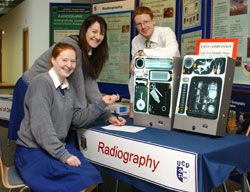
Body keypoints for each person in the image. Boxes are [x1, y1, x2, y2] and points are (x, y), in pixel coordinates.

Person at [15, 42, 119, 192]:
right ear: (53, 60)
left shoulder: (68, 86)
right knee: (80, 181)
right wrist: (63, 155)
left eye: (73, 61)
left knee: (92, 178)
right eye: (64, 60)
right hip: (32, 152)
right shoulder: (41, 83)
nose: (69, 65)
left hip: (55, 148)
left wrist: (101, 103)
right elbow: (41, 128)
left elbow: (77, 118)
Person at [8, 15, 126, 141]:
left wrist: (106, 115)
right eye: (94, 31)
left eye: (101, 33)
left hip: (49, 90)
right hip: (28, 86)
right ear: (85, 30)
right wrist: (79, 118)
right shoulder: (74, 48)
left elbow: (89, 83)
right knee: (28, 137)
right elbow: (78, 86)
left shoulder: (88, 51)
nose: (97, 37)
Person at [128, 6, 180, 119]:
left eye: (146, 22)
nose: (143, 27)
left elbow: (172, 51)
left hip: (172, 85)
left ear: (153, 20)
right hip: (151, 89)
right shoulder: (136, 41)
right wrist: (133, 105)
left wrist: (143, 52)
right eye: (139, 24)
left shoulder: (166, 32)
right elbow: (134, 76)